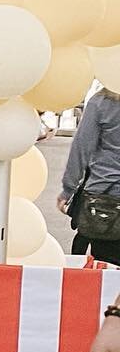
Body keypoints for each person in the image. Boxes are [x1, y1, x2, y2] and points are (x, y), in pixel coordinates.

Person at [60, 87, 120, 264]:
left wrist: (68, 189)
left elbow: (81, 148)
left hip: (105, 196)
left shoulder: (101, 101)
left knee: (106, 267)